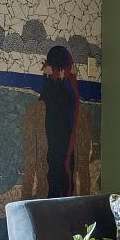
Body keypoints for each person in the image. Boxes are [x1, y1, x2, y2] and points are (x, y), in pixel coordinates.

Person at [39, 45, 80, 197]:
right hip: (61, 133)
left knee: (60, 167)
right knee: (61, 168)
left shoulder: (56, 84)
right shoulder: (61, 85)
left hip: (61, 133)